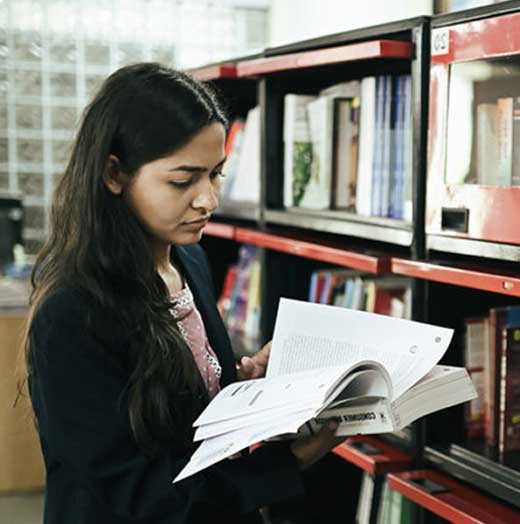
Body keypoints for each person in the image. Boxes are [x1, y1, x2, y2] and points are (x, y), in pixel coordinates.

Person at [22, 62, 343, 524]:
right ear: (114, 174)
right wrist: (288, 462)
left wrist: (245, 388)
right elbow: (142, 495)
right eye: (183, 180)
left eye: (216, 175)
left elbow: (183, 412)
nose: (208, 200)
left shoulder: (188, 260)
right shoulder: (73, 311)